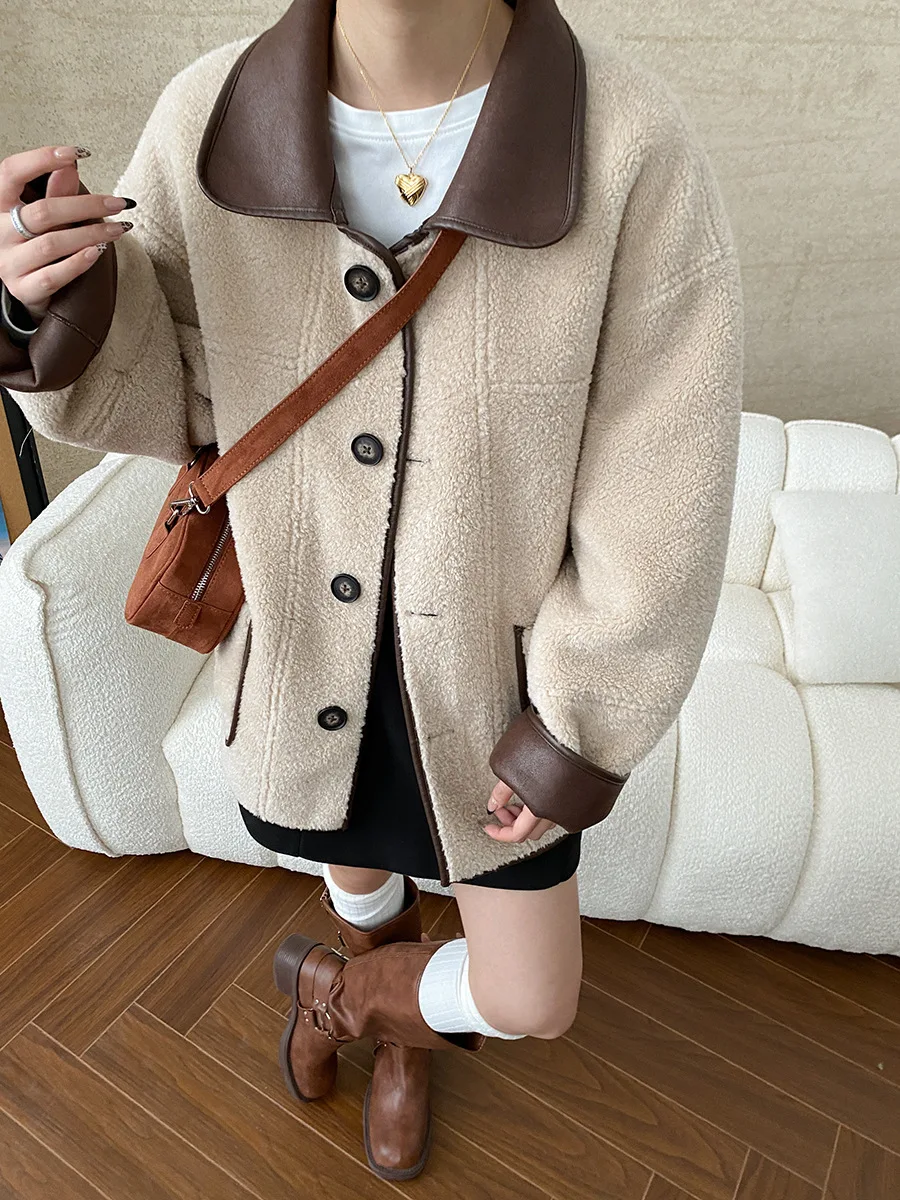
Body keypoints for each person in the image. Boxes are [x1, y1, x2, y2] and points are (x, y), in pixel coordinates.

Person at [0, 0, 744, 1182]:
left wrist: (580, 722)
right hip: (302, 649)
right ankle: (397, 1032)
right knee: (356, 874)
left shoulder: (626, 143)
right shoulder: (212, 115)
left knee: (531, 993)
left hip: (497, 684)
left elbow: (661, 477)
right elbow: (172, 395)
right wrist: (43, 307)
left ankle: (345, 1001)